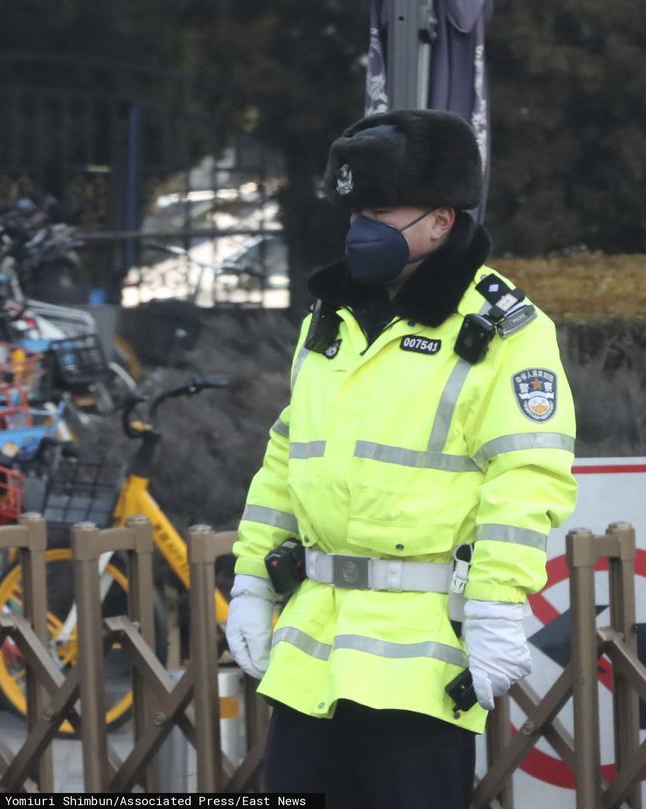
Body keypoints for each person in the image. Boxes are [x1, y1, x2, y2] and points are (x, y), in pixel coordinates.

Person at [224, 109, 578, 809]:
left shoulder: (504, 329)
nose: (361, 227)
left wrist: (498, 605)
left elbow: (526, 476)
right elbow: (285, 459)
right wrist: (250, 580)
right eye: (355, 209)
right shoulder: (329, 321)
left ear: (442, 220)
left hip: (418, 666)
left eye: (381, 211)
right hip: (311, 658)